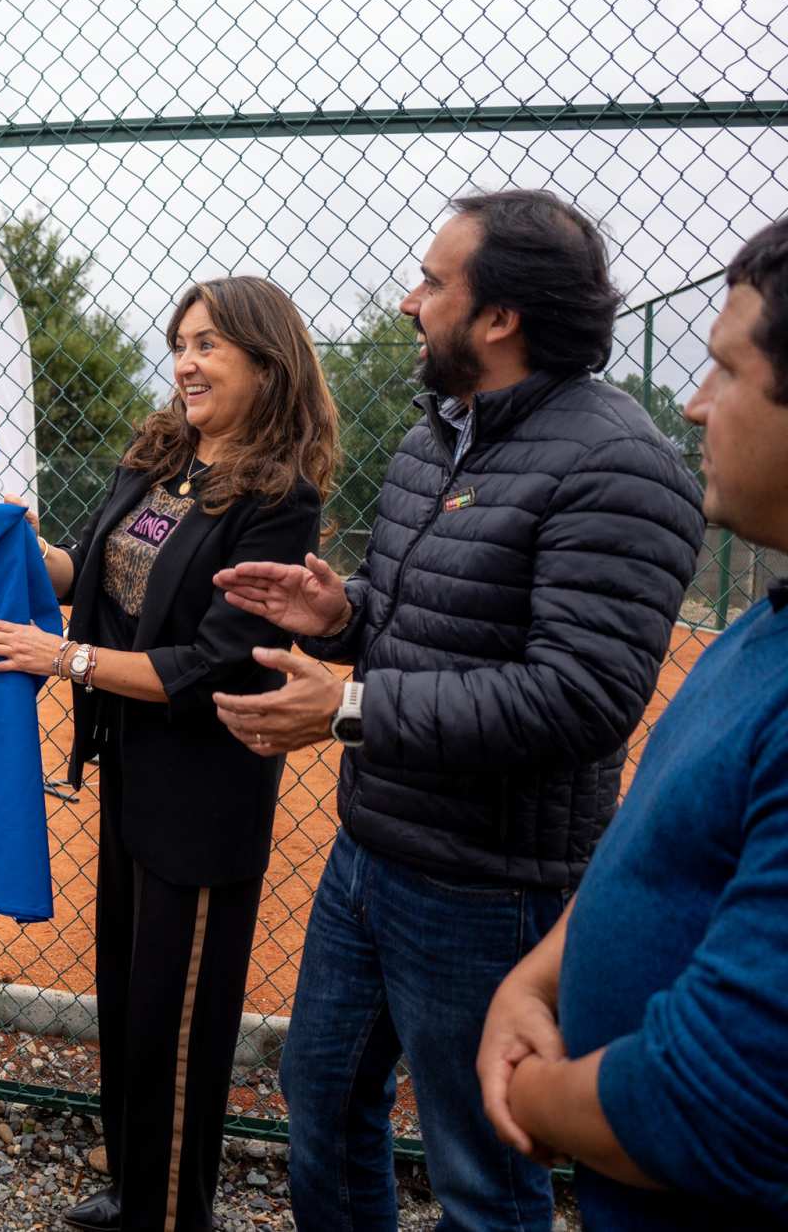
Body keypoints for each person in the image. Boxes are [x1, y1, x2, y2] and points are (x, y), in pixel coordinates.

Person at [211, 191, 707, 1231]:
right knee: (321, 1103)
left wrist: (348, 706)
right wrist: (341, 610)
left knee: (479, 1174)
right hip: (372, 852)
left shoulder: (617, 463)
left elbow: (578, 696)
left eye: (433, 282)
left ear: (499, 317)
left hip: (488, 888)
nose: (408, 299)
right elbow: (419, 622)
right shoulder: (433, 440)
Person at [0, 276, 338, 1232]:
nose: (186, 362)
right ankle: (137, 1189)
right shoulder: (160, 462)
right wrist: (13, 543)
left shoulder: (278, 500)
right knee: (132, 1004)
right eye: (180, 342)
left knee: (178, 1028)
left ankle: (172, 1214)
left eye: (210, 344)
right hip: (134, 774)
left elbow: (217, 662)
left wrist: (67, 658)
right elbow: (86, 575)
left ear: (267, 360)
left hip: (204, 797)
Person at [478, 216, 788, 1228]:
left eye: (724, 371)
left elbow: (713, 1108)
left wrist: (520, 1086)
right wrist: (532, 982)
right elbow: (655, 849)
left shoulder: (610, 463)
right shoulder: (759, 630)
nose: (693, 406)